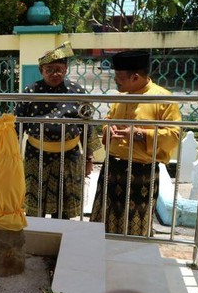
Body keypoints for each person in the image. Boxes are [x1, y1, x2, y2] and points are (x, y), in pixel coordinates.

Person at [91, 50, 181, 236]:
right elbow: (108, 121)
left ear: (136, 77)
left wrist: (140, 134)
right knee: (103, 223)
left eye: (120, 77)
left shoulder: (163, 98)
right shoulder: (121, 95)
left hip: (142, 174)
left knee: (134, 227)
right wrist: (110, 129)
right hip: (112, 169)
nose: (116, 81)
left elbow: (174, 135)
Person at [15, 41, 101, 219]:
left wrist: (89, 158)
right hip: (36, 157)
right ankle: (36, 242)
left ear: (66, 69)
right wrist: (11, 157)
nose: (55, 74)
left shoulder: (77, 92)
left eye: (59, 69)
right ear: (41, 71)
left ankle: (61, 242)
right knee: (35, 209)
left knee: (63, 211)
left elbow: (87, 127)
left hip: (69, 158)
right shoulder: (30, 92)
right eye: (49, 69)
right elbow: (17, 126)